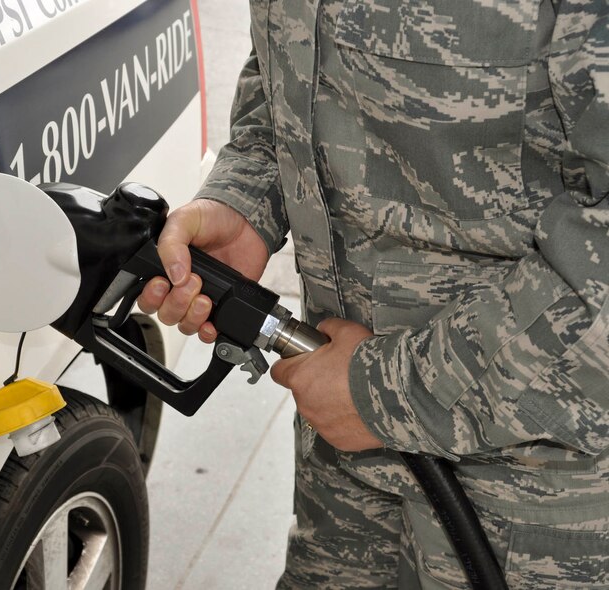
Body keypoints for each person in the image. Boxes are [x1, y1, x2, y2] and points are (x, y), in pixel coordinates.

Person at [137, 0, 609, 587]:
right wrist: (248, 202)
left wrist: (388, 393)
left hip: (532, 494)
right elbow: (289, 64)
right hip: (340, 459)